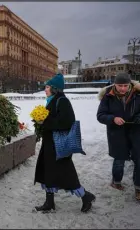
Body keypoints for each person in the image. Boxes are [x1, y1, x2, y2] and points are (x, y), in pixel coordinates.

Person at [34, 73, 96, 213]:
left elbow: (67, 122)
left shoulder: (62, 101)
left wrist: (45, 122)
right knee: (47, 172)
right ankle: (49, 203)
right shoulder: (52, 100)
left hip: (59, 146)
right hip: (50, 144)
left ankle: (86, 196)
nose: (45, 89)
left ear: (55, 88)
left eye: (47, 87)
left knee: (66, 174)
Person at [97, 73, 140, 202]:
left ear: (129, 84)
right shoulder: (108, 96)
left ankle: (139, 189)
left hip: (137, 133)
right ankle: (116, 182)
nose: (122, 88)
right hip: (117, 134)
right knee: (119, 160)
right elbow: (100, 115)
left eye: (125, 85)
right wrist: (113, 119)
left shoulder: (139, 94)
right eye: (120, 85)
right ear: (114, 84)